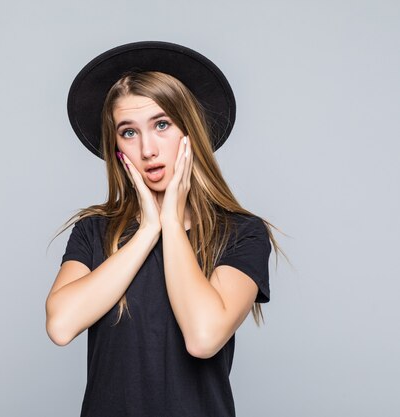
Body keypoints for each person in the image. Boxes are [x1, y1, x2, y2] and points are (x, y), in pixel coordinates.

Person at [45, 41, 286, 417]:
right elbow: (61, 325)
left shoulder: (241, 233)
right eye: (128, 132)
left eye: (161, 125)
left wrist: (171, 222)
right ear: (117, 147)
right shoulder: (95, 231)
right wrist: (146, 231)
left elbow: (203, 338)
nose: (148, 149)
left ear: (189, 132)